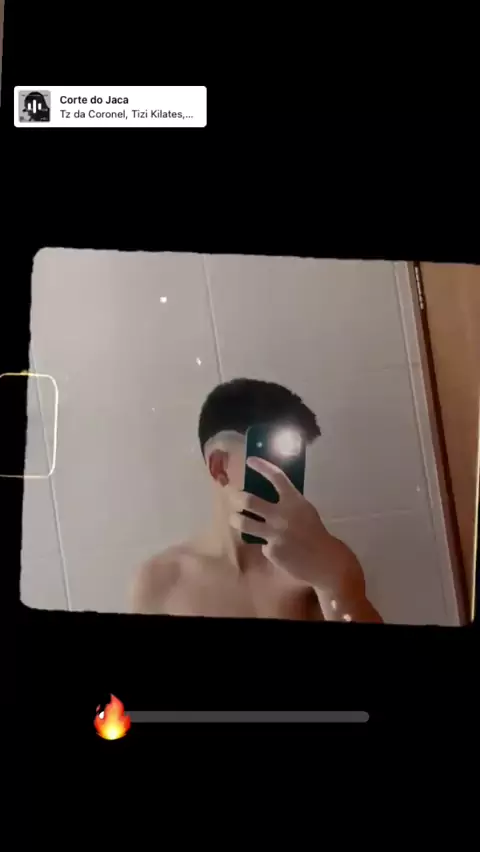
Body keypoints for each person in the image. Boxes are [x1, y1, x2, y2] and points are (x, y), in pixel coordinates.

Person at [132, 378, 383, 622]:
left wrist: (333, 583)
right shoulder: (162, 581)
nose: (286, 478)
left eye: (294, 461)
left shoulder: (318, 565)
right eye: (273, 456)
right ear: (220, 467)